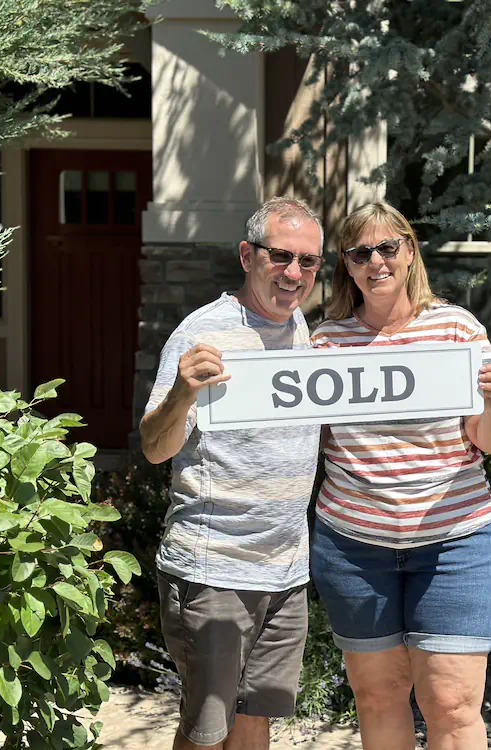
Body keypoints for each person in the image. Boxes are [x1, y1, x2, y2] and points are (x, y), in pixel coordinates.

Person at [309, 201, 491, 750]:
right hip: (353, 547)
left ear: (409, 251)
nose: (375, 261)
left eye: (387, 247)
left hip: (456, 543)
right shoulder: (324, 344)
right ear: (346, 265)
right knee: (377, 696)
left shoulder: (455, 329)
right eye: (360, 252)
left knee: (452, 703)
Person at [139, 197, 325, 750]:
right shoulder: (204, 333)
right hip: (214, 569)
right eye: (281, 256)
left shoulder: (304, 333)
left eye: (309, 262)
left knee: (254, 724)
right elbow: (153, 446)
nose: (294, 274)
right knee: (205, 734)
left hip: (286, 572)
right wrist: (181, 392)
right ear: (248, 255)